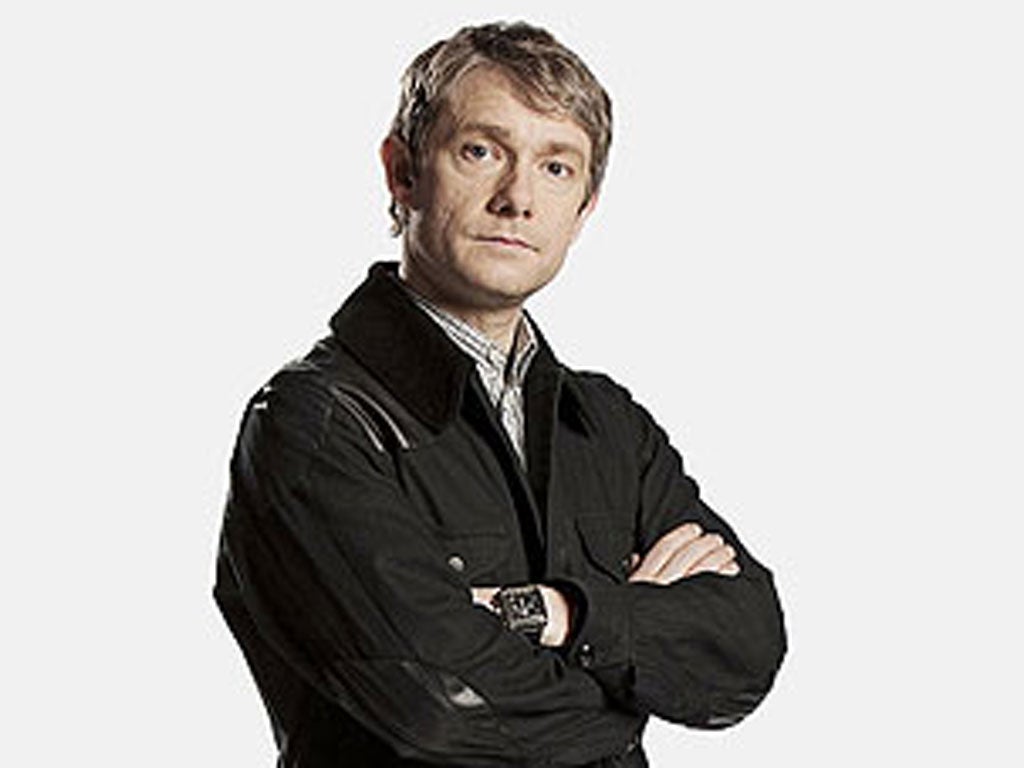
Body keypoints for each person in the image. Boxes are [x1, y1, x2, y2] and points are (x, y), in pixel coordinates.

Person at [214, 21, 786, 768]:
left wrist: (559, 612)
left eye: (556, 167)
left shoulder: (609, 425)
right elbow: (437, 707)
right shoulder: (314, 423)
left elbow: (747, 648)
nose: (518, 198)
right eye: (481, 152)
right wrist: (632, 678)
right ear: (402, 173)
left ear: (584, 209)